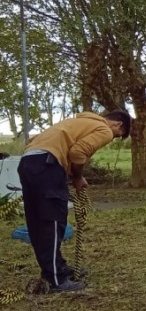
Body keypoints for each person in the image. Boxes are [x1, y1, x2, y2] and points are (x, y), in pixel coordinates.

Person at [17, 110, 133, 292]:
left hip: (28, 162)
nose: (112, 138)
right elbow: (78, 152)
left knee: (38, 222)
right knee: (52, 221)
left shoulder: (77, 122)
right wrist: (78, 177)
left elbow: (65, 149)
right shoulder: (104, 129)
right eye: (118, 136)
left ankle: (56, 269)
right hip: (47, 165)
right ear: (118, 125)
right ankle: (56, 280)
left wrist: (67, 172)